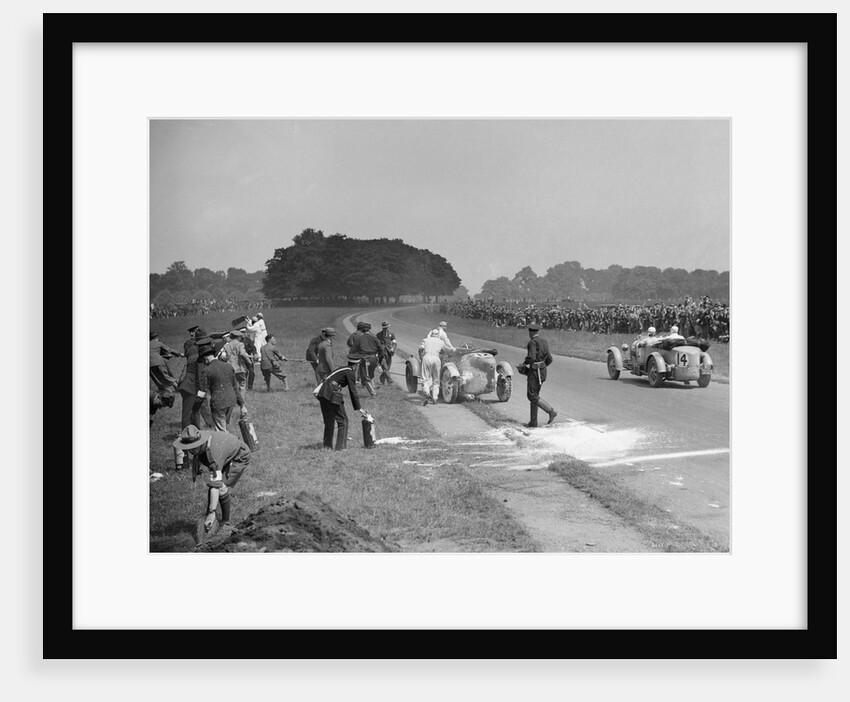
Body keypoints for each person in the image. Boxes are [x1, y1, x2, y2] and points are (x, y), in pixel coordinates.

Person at [173, 424, 251, 535]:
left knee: (222, 487)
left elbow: (215, 485)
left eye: (194, 448)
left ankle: (225, 522)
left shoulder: (214, 454)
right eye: (189, 449)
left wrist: (212, 512)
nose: (192, 452)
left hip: (239, 455)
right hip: (225, 451)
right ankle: (211, 516)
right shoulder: (200, 438)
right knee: (214, 486)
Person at [314, 354, 367, 450]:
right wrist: (359, 408)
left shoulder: (342, 369)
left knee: (329, 421)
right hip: (332, 393)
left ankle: (327, 446)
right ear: (356, 365)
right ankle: (340, 448)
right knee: (343, 420)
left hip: (323, 393)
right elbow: (353, 390)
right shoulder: (350, 372)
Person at [197, 343, 247, 431]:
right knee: (226, 427)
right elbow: (235, 387)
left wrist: (196, 405)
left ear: (205, 358)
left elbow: (202, 391)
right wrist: (242, 405)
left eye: (203, 361)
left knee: (221, 431)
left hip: (218, 403)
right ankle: (232, 442)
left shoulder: (206, 370)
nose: (204, 363)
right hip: (232, 401)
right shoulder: (228, 366)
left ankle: (228, 444)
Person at [177, 327, 214, 430]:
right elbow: (201, 375)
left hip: (191, 386)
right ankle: (186, 435)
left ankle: (196, 432)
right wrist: (203, 391)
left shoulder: (193, 351)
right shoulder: (199, 357)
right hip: (190, 387)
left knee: (195, 411)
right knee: (188, 414)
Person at [521, 323, 557, 427]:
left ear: (531, 332)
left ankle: (550, 411)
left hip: (535, 372)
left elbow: (531, 358)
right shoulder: (544, 342)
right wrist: (542, 366)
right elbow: (550, 359)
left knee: (531, 395)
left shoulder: (532, 342)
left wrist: (524, 363)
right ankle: (533, 422)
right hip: (542, 372)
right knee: (535, 396)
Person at [418, 328, 454, 405]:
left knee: (425, 378)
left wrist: (421, 356)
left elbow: (421, 348)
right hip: (436, 359)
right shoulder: (441, 342)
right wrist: (452, 349)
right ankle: (435, 397)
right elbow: (447, 350)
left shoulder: (425, 340)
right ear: (438, 335)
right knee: (436, 379)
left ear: (431, 334)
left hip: (427, 358)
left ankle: (427, 393)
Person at [350, 321, 383, 397]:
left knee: (365, 376)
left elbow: (352, 349)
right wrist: (379, 359)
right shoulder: (374, 337)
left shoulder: (360, 338)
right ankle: (373, 388)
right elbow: (381, 349)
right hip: (374, 358)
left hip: (365, 358)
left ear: (362, 330)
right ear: (369, 329)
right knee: (371, 375)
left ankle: (373, 392)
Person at [222, 328, 253, 399]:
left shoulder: (226, 345)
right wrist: (249, 361)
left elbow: (224, 357)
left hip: (229, 367)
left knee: (231, 385)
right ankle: (242, 402)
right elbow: (242, 353)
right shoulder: (240, 344)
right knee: (242, 385)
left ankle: (232, 400)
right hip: (239, 367)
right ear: (238, 337)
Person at [375, 320, 397, 385]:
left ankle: (381, 379)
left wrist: (393, 348)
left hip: (389, 352)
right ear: (382, 328)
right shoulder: (378, 335)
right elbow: (376, 344)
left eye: (387, 327)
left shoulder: (391, 334)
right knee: (385, 367)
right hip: (381, 353)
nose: (385, 329)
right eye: (384, 328)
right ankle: (390, 381)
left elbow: (394, 343)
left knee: (388, 367)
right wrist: (376, 353)